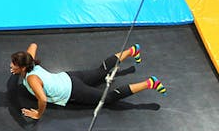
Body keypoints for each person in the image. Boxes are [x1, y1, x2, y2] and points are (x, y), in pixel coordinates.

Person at [11, 42, 166, 121]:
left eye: (14, 64)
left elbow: (42, 99)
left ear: (23, 67)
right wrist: (19, 67)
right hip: (69, 77)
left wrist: (38, 114)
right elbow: (33, 45)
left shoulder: (32, 79)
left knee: (109, 98)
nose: (11, 66)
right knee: (100, 71)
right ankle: (132, 50)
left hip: (73, 91)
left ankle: (149, 83)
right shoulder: (30, 61)